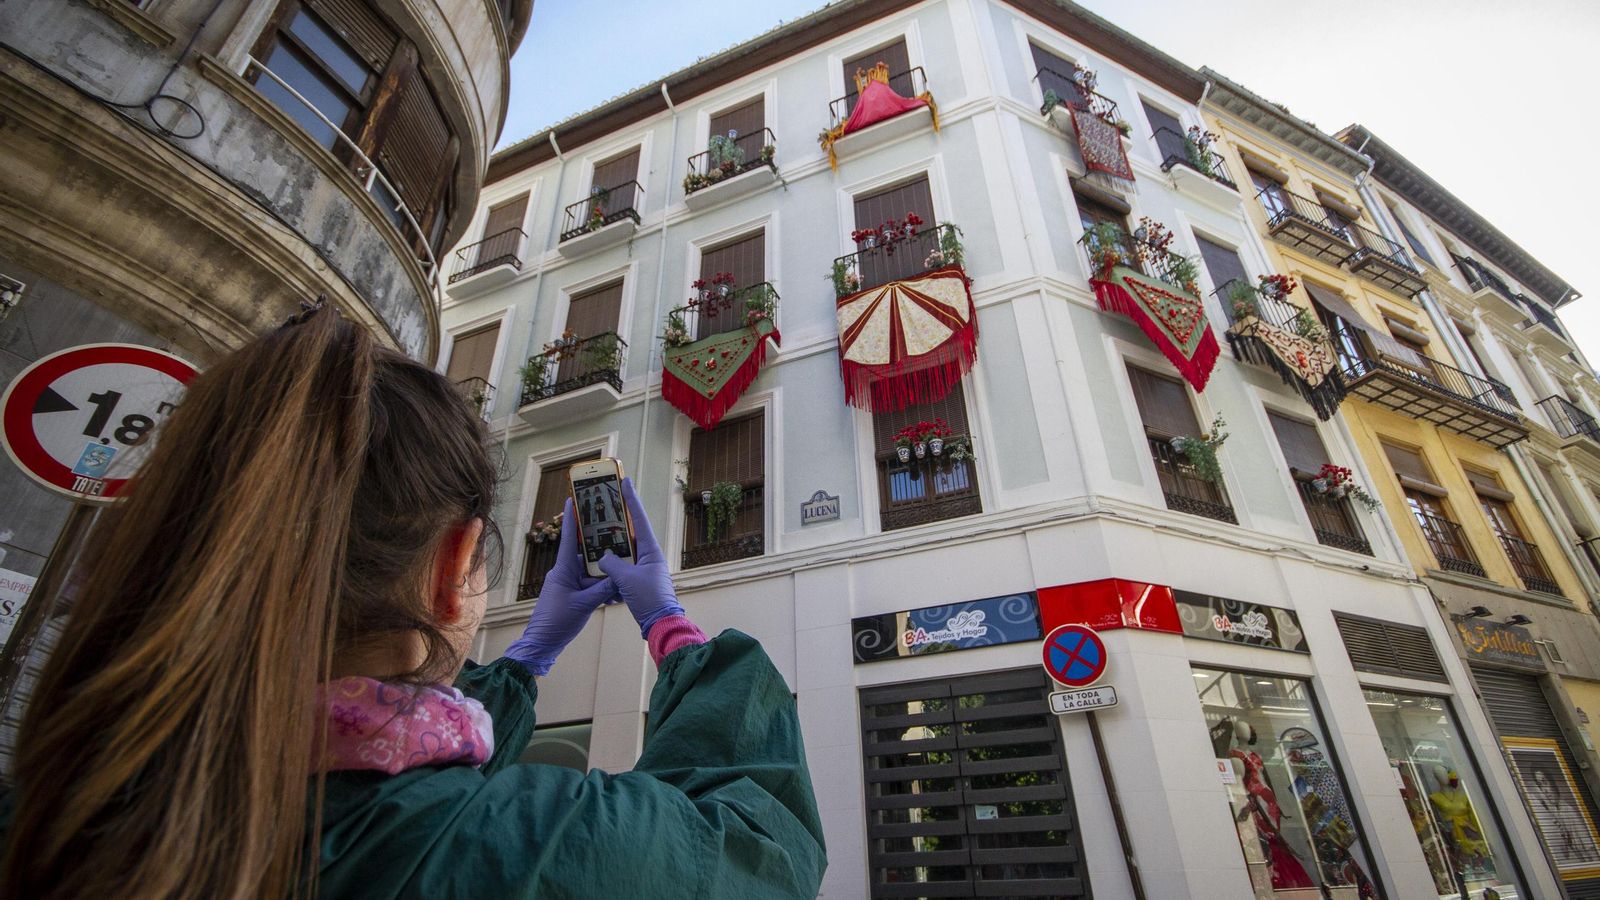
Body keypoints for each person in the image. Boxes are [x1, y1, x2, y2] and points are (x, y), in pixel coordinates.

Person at [0, 307, 826, 899]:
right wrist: (670, 625)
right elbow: (757, 845)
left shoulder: (52, 812)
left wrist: (531, 656)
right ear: (452, 568)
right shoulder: (534, 847)